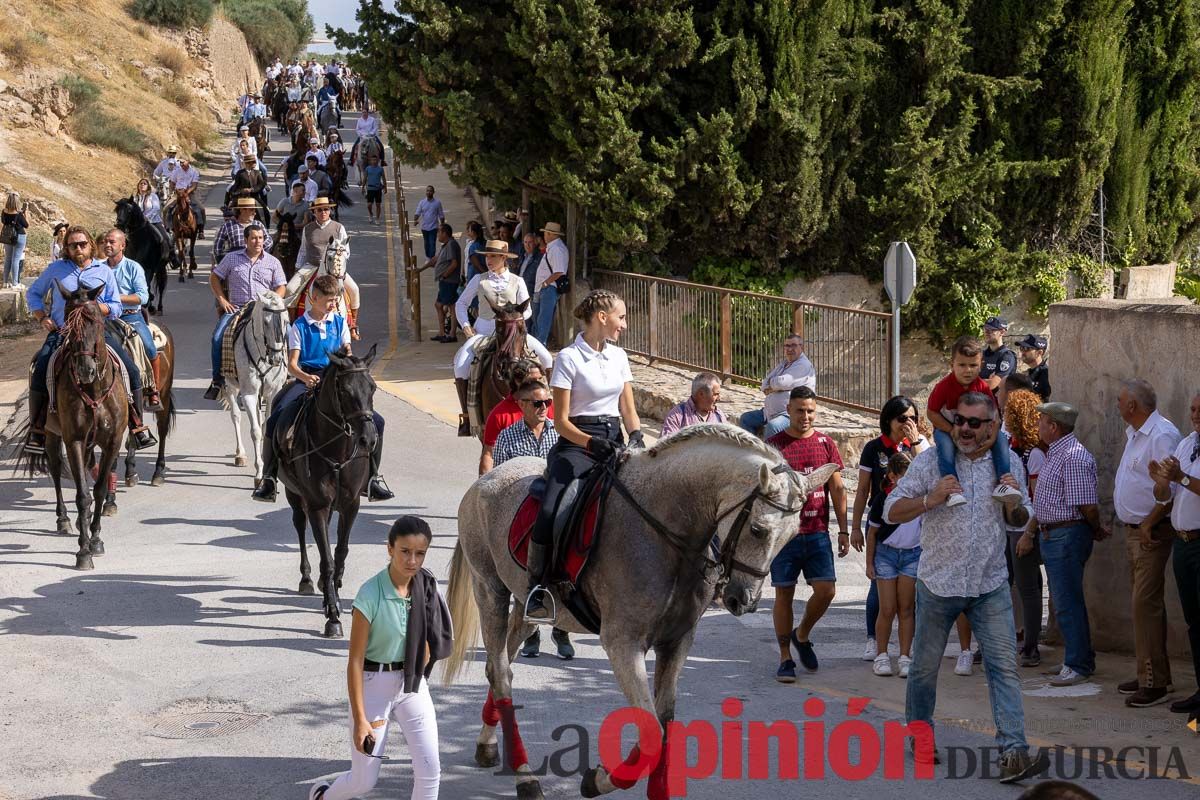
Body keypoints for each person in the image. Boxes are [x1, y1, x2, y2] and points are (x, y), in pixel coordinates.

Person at [884, 391, 1045, 782]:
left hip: (989, 584)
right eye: (960, 421)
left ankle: (1013, 750)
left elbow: (1018, 520)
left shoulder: (1007, 466)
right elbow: (891, 510)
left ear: (992, 426)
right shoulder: (931, 463)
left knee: (1003, 667)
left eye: (976, 423)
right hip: (938, 583)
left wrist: (1014, 505)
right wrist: (929, 498)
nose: (966, 430)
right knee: (923, 670)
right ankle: (920, 735)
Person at [307, 515, 450, 800]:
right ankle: (322, 796)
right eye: (405, 552)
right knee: (363, 782)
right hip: (374, 686)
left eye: (420, 553)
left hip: (411, 686)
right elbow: (355, 662)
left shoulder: (426, 586)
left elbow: (431, 638)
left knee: (430, 770)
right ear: (390, 549)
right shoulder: (370, 594)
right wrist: (361, 719)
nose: (412, 560)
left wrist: (418, 668)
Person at [524, 290, 643, 622]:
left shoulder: (619, 357)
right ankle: (538, 586)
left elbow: (628, 409)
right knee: (551, 508)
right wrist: (591, 443)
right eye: (621, 317)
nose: (624, 324)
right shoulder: (568, 358)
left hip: (614, 439)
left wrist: (635, 436)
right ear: (602, 317)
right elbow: (559, 422)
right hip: (577, 444)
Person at [252, 274, 392, 503]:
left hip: (338, 380)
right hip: (308, 379)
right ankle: (268, 477)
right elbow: (293, 365)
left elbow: (347, 356)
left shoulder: (339, 323)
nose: (334, 304)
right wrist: (306, 378)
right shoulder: (299, 326)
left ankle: (373, 478)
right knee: (277, 416)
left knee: (377, 421)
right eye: (329, 300)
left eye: (336, 300)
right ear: (313, 298)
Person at [25, 226, 156, 453]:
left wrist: (97, 308)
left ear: (90, 246)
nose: (78, 248)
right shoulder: (56, 269)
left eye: (82, 244)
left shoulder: (103, 271)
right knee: (41, 367)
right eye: (73, 245)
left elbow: (116, 305)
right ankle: (37, 429)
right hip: (63, 332)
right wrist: (41, 317)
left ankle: (137, 425)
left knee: (130, 368)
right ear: (66, 248)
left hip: (97, 333)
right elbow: (33, 293)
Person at [489, 378, 574, 660]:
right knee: (522, 565)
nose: (544, 408)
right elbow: (502, 481)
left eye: (547, 403)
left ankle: (562, 631)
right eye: (537, 403)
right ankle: (530, 631)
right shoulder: (507, 437)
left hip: (554, 505)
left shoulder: (560, 432)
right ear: (522, 405)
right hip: (523, 510)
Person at [767, 386, 847, 683]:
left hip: (817, 533)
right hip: (784, 536)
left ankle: (802, 634)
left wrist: (844, 529)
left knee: (827, 591)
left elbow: (837, 489)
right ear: (788, 409)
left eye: (811, 410)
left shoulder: (826, 443)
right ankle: (785, 657)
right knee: (783, 593)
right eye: (800, 410)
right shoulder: (773, 445)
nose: (806, 416)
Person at [1112, 380, 1181, 707]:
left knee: (1145, 606)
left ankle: (1153, 682)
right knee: (1145, 607)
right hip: (1137, 530)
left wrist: (1150, 522)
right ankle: (1151, 675)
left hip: (1151, 531)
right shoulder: (1137, 433)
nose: (1117, 403)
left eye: (1121, 399)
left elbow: (1171, 488)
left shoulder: (1161, 435)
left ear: (1133, 406)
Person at [1030, 401, 1108, 687]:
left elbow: (1086, 504)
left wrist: (1096, 528)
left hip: (1066, 535)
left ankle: (1078, 664)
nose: (1037, 427)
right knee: (1064, 601)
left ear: (1053, 426)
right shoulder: (1057, 453)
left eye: (1041, 422)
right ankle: (1078, 658)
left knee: (1066, 602)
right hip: (1056, 535)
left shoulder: (1072, 456)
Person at [850, 396, 929, 665]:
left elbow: (929, 471)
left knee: (908, 600)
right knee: (879, 593)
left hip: (912, 526)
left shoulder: (916, 446)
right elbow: (862, 490)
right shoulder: (875, 448)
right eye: (902, 418)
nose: (907, 423)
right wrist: (855, 528)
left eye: (912, 418)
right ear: (889, 420)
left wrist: (916, 440)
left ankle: (907, 649)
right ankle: (874, 640)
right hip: (882, 524)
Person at [452, 240, 553, 436]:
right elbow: (461, 303)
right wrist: (466, 326)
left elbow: (528, 310)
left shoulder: (517, 281)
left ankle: (547, 409)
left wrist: (514, 322)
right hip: (482, 331)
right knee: (461, 364)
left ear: (504, 258)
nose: (488, 260)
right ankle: (467, 416)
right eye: (487, 256)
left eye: (493, 256)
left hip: (512, 332)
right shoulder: (479, 280)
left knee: (547, 358)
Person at [1149, 391, 1200, 716]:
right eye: (1193, 409)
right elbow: (1166, 495)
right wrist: (1162, 481)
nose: (1195, 414)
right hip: (1183, 543)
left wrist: (1179, 476)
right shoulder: (1187, 443)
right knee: (1194, 622)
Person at [927, 335, 1020, 508]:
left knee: (1000, 439)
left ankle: (1004, 481)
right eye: (962, 365)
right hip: (947, 428)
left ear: (981, 365)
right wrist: (950, 429)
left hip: (974, 429)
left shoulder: (982, 386)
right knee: (945, 447)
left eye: (973, 365)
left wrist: (992, 437)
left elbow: (995, 415)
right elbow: (931, 413)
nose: (967, 370)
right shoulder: (944, 386)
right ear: (952, 365)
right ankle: (952, 488)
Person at [204, 223, 287, 400]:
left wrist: (273, 301)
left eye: (261, 238)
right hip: (238, 309)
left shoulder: (273, 262)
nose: (258, 242)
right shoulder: (232, 258)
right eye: (254, 238)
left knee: (285, 334)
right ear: (246, 240)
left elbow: (281, 286)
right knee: (217, 337)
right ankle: (217, 381)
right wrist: (222, 300)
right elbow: (214, 277)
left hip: (263, 309)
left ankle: (286, 372)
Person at [865, 452, 920, 677]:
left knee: (907, 608)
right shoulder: (882, 498)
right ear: (892, 477)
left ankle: (905, 657)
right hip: (886, 556)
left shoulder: (920, 499)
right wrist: (869, 563)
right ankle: (882, 655)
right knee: (887, 608)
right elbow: (872, 533)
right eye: (904, 476)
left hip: (912, 555)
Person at [1007, 386, 1048, 667]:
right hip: (1012, 526)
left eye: (1008, 413)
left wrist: (1029, 533)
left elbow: (1036, 497)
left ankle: (1031, 647)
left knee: (1028, 588)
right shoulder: (1014, 448)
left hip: (1025, 527)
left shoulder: (1034, 454)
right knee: (1023, 585)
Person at [102, 228, 161, 410]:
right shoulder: (98, 267)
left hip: (130, 316)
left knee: (149, 346)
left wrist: (116, 298)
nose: (107, 245)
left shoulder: (133, 267)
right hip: (104, 317)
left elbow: (143, 297)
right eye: (106, 241)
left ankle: (154, 389)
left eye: (112, 242)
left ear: (123, 245)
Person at [480, 360, 551, 475]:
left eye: (540, 379)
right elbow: (489, 454)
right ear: (518, 381)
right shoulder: (499, 415)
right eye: (532, 380)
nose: (538, 384)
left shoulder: (548, 406)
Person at [739, 334, 817, 439]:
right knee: (745, 419)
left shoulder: (803, 365)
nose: (790, 349)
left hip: (790, 414)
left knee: (773, 427)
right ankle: (750, 451)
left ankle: (768, 455)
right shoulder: (785, 363)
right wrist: (775, 386)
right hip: (768, 413)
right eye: (787, 346)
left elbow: (782, 382)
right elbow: (765, 382)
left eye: (793, 345)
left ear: (802, 347)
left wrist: (774, 386)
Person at [419, 223, 461, 343]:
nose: (437, 235)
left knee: (452, 307)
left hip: (449, 281)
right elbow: (434, 260)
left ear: (444, 233)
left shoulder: (452, 245)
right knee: (439, 305)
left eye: (439, 232)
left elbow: (454, 263)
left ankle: (452, 334)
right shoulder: (445, 245)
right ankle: (442, 332)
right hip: (444, 281)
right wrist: (421, 269)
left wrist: (445, 275)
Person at [531, 221, 567, 344]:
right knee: (538, 319)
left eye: (546, 233)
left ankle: (540, 346)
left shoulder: (556, 249)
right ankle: (537, 345)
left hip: (548, 288)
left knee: (543, 320)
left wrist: (546, 283)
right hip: (544, 288)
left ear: (550, 234)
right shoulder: (553, 247)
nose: (544, 236)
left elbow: (559, 271)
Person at [660, 372, 726, 435]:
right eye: (716, 394)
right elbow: (667, 445)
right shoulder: (677, 416)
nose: (719, 398)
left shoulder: (719, 416)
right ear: (701, 394)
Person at [214, 197, 273, 265]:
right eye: (252, 210)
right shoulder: (228, 225)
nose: (255, 213)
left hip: (257, 262)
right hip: (235, 263)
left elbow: (269, 240)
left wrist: (257, 247)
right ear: (242, 210)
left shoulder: (258, 224)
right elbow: (217, 248)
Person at [166, 156, 205, 238]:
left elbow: (194, 185)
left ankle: (201, 230)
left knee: (201, 209)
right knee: (165, 209)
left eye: (183, 162)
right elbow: (172, 182)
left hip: (189, 193)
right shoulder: (176, 171)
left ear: (188, 161)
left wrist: (187, 192)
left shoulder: (194, 172)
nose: (181, 164)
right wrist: (171, 192)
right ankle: (167, 228)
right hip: (178, 193)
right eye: (180, 162)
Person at [980, 316, 1018, 395]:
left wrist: (972, 382)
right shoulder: (982, 354)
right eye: (985, 329)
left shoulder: (1007, 356)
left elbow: (992, 384)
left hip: (998, 404)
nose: (987, 332)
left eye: (992, 330)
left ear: (1002, 332)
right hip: (979, 401)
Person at [2, 191, 28, 289]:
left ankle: (5, 282)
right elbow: (27, 225)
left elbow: (3, 221)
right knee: (16, 260)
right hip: (19, 236)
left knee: (8, 259)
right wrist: (26, 213)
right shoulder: (19, 214)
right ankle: (15, 283)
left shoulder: (4, 211)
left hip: (7, 236)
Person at [413, 186, 444, 260]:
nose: (428, 192)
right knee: (426, 244)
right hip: (424, 227)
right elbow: (417, 212)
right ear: (425, 192)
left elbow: (441, 215)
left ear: (433, 192)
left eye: (430, 191)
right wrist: (415, 219)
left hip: (434, 227)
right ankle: (428, 257)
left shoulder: (437, 203)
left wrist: (442, 225)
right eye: (427, 191)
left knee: (432, 243)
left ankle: (431, 258)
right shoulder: (422, 202)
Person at [134, 178, 168, 244]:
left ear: (148, 186)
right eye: (141, 183)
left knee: (166, 239)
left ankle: (171, 253)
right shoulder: (136, 198)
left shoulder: (153, 196)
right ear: (138, 186)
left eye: (144, 184)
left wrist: (146, 217)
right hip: (139, 224)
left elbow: (156, 208)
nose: (142, 185)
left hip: (153, 222)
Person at [1018, 334, 1050, 400]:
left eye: (1027, 348)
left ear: (1039, 353)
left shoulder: (1046, 374)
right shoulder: (1029, 373)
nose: (1023, 352)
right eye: (1021, 348)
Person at [515, 231, 541, 300]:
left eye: (530, 242)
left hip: (531, 293)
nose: (527, 245)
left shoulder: (539, 258)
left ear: (535, 243)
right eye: (525, 242)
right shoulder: (522, 256)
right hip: (519, 291)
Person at [363, 156, 386, 225]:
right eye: (372, 160)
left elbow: (384, 178)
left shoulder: (380, 169)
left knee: (378, 204)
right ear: (370, 161)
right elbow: (365, 178)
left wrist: (385, 187)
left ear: (378, 161)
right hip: (370, 189)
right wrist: (363, 187)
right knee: (369, 205)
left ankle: (377, 219)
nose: (374, 162)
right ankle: (370, 214)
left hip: (378, 189)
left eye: (375, 160)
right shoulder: (368, 168)